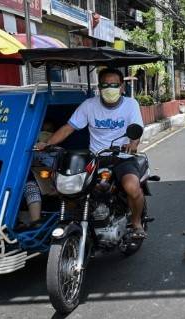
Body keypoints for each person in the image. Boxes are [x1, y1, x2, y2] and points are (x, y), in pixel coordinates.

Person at [36, 68, 147, 238]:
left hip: (123, 157)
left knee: (132, 188)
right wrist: (47, 143)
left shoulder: (131, 104)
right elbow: (68, 128)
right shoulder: (89, 105)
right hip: (96, 157)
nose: (110, 88)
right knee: (73, 189)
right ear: (99, 87)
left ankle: (137, 223)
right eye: (105, 85)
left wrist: (132, 145)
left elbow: (136, 130)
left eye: (114, 85)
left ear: (122, 87)